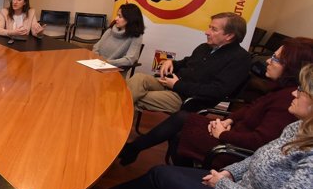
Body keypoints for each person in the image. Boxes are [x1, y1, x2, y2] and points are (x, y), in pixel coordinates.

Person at [97, 63, 313, 189]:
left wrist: (224, 184)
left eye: (301, 90)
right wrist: (230, 173)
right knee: (161, 170)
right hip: (232, 182)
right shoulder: (297, 127)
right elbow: (258, 155)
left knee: (160, 174)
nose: (294, 92)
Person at [118, 37, 313, 166]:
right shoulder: (280, 89)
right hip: (229, 129)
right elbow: (252, 108)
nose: (268, 61)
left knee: (181, 124)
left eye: (276, 59)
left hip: (229, 144)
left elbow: (258, 141)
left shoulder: (287, 99)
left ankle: (133, 147)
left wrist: (224, 134)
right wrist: (230, 119)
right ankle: (131, 144)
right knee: (143, 85)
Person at [126, 12, 251, 114]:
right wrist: (171, 63)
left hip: (187, 98)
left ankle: (114, 125)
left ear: (229, 36)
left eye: (213, 29)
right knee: (139, 78)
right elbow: (186, 62)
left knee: (137, 97)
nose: (206, 32)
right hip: (172, 83)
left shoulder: (240, 58)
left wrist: (177, 85)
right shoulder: (205, 47)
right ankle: (113, 121)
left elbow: (217, 91)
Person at [92, 3, 145, 70]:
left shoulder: (136, 36)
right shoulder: (111, 29)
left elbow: (130, 59)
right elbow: (96, 47)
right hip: (96, 65)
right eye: (117, 15)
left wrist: (107, 63)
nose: (116, 18)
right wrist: (97, 60)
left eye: (120, 16)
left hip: (114, 70)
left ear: (130, 19)